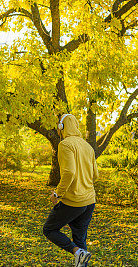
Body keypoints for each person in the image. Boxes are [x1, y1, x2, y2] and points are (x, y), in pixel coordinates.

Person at [43, 114, 98, 267]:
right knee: (80, 239)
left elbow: (69, 173)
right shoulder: (88, 146)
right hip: (90, 201)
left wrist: (57, 193)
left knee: (49, 229)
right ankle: (81, 255)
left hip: (74, 202)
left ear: (62, 127)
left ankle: (77, 252)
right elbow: (96, 175)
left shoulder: (65, 144)